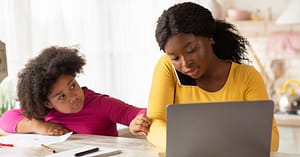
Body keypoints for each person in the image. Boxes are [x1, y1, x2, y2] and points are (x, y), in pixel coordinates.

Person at [146, 2, 279, 152]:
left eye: (191, 50)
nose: (185, 64)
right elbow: (153, 125)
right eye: (175, 58)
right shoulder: (167, 67)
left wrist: (195, 142)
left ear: (210, 38)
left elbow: (271, 140)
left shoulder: (247, 77)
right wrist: (195, 143)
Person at [0, 46, 151, 137]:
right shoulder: (45, 113)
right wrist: (38, 126)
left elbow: (139, 112)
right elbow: (6, 119)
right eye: (61, 96)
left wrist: (136, 122)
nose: (73, 97)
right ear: (48, 103)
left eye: (72, 85)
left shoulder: (100, 104)